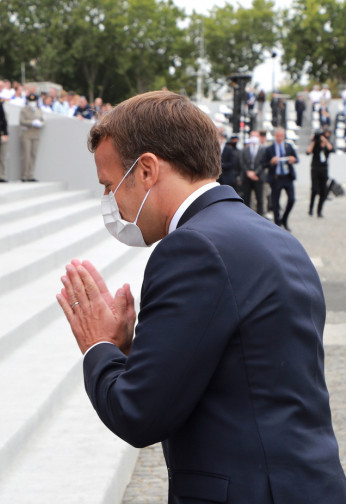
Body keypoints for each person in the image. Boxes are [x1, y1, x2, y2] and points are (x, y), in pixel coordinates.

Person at [56, 90, 346, 504]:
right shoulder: (278, 239)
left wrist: (98, 346)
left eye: (110, 184)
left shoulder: (191, 248)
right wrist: (132, 350)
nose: (111, 203)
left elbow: (139, 414)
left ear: (147, 170)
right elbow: (239, 372)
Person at [262, 127, 298, 231]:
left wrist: (292, 160)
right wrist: (271, 162)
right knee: (275, 201)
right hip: (276, 177)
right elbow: (264, 164)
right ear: (275, 136)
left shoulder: (288, 146)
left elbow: (296, 159)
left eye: (281, 136)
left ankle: (284, 218)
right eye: (277, 136)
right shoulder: (270, 149)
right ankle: (277, 223)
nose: (279, 138)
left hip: (287, 176)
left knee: (291, 199)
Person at [307, 129, 334, 217]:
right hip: (315, 169)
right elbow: (308, 152)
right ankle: (310, 209)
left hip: (324, 169)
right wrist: (314, 141)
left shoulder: (326, 144)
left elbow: (331, 149)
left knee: (323, 191)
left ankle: (319, 211)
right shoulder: (315, 144)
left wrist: (325, 141)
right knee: (314, 189)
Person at [19, 93, 44, 182]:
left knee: (33, 155)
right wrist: (32, 122)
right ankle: (24, 176)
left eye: (34, 101)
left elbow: (43, 120)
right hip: (26, 134)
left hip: (36, 134)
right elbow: (22, 121)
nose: (32, 102)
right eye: (30, 101)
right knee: (26, 155)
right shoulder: (24, 110)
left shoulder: (39, 110)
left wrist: (40, 123)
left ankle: (30, 175)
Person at [239, 130, 265, 214]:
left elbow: (263, 163)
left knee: (259, 199)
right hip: (246, 178)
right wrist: (248, 172)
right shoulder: (245, 150)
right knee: (246, 199)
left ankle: (260, 217)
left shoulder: (263, 150)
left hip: (258, 177)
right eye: (252, 136)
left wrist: (255, 173)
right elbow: (242, 162)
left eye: (256, 136)